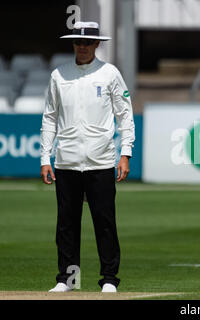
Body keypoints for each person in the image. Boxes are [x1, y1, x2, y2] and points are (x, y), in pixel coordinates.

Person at [40, 21, 135, 293]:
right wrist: (45, 158)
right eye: (78, 42)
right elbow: (50, 117)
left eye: (87, 42)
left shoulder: (109, 74)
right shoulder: (59, 74)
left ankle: (108, 279)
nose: (82, 47)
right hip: (66, 160)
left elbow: (124, 115)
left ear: (96, 44)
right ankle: (68, 280)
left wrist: (125, 153)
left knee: (104, 223)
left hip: (101, 160)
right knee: (66, 225)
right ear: (73, 44)